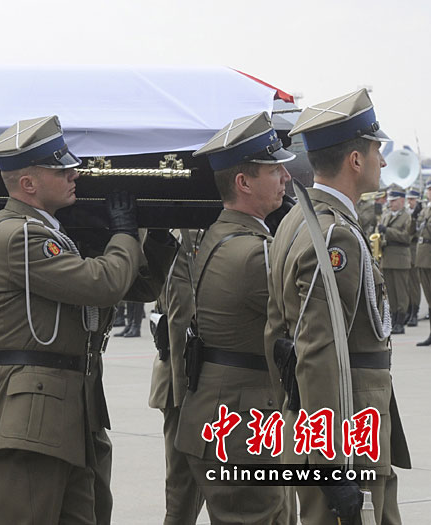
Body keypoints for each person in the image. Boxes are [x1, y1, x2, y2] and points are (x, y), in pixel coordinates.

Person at [0, 115, 176, 524]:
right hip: (29, 419)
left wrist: (155, 231)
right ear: (28, 183)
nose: (74, 174)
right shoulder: (20, 235)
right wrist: (124, 232)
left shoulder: (53, 233)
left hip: (67, 414)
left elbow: (137, 287)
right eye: (61, 169)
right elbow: (103, 284)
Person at [265, 89, 411, 524]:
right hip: (347, 433)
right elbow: (318, 350)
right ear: (355, 160)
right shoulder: (334, 236)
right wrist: (331, 462)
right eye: (376, 150)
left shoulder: (300, 218)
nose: (382, 160)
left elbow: (276, 334)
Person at [175, 112, 294, 524]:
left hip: (222, 414)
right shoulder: (255, 253)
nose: (286, 177)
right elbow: (312, 319)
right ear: (243, 183)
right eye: (274, 170)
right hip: (242, 427)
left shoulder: (220, 234)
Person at [147, 229, 205, 525]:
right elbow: (181, 319)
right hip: (185, 382)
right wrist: (188, 395)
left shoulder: (187, 236)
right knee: (183, 494)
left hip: (184, 380)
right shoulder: (191, 240)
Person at [379, 186, 410, 334]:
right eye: (390, 200)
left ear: (402, 201)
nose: (390, 203)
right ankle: (393, 318)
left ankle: (400, 321)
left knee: (400, 292)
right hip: (387, 258)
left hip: (400, 259)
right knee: (390, 291)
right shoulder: (386, 215)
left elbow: (406, 237)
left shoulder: (407, 216)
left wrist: (387, 231)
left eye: (394, 200)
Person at [415, 182, 431, 346]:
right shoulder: (425, 209)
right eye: (429, 190)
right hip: (423, 257)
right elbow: (412, 231)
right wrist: (415, 216)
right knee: (429, 296)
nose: (429, 192)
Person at [406, 188, 422, 326]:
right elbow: (408, 231)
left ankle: (415, 312)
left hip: (416, 252)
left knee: (415, 284)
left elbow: (416, 233)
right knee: (407, 284)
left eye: (412, 199)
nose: (409, 202)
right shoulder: (408, 213)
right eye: (408, 199)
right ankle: (409, 310)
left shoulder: (421, 213)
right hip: (407, 252)